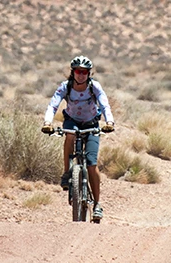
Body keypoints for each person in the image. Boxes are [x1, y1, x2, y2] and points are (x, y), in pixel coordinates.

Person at [41, 56, 115, 221]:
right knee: (69, 135)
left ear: (89, 73)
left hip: (91, 123)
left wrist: (109, 121)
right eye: (77, 71)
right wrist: (47, 122)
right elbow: (53, 105)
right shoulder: (65, 87)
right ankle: (67, 173)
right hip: (72, 121)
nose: (81, 75)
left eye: (84, 72)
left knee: (92, 164)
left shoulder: (94, 86)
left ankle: (97, 204)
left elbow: (104, 104)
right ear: (72, 72)